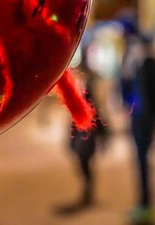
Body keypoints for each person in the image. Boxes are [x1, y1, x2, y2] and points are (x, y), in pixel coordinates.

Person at [56, 51, 107, 214]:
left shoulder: (88, 88)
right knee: (82, 161)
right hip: (81, 129)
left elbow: (95, 112)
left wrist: (103, 133)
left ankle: (88, 192)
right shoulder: (82, 86)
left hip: (86, 131)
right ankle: (87, 191)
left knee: (84, 161)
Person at [120, 33, 155, 225]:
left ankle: (145, 205)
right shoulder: (143, 64)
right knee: (141, 161)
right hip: (141, 119)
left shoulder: (146, 65)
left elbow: (141, 94)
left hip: (143, 121)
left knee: (142, 161)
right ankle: (144, 203)